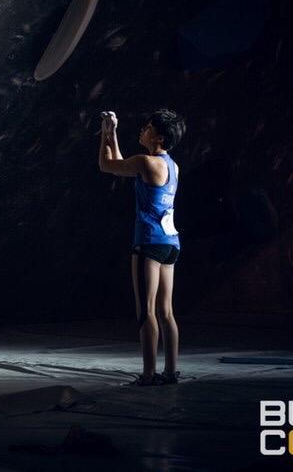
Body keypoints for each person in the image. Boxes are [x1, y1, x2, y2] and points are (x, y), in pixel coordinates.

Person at [98, 109, 186, 385]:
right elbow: (124, 162)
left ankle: (148, 374)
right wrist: (112, 132)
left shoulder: (146, 162)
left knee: (146, 311)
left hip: (148, 242)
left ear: (158, 137)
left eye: (147, 127)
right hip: (170, 244)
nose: (142, 130)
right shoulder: (172, 165)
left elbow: (108, 165)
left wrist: (105, 133)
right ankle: (170, 372)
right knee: (166, 311)